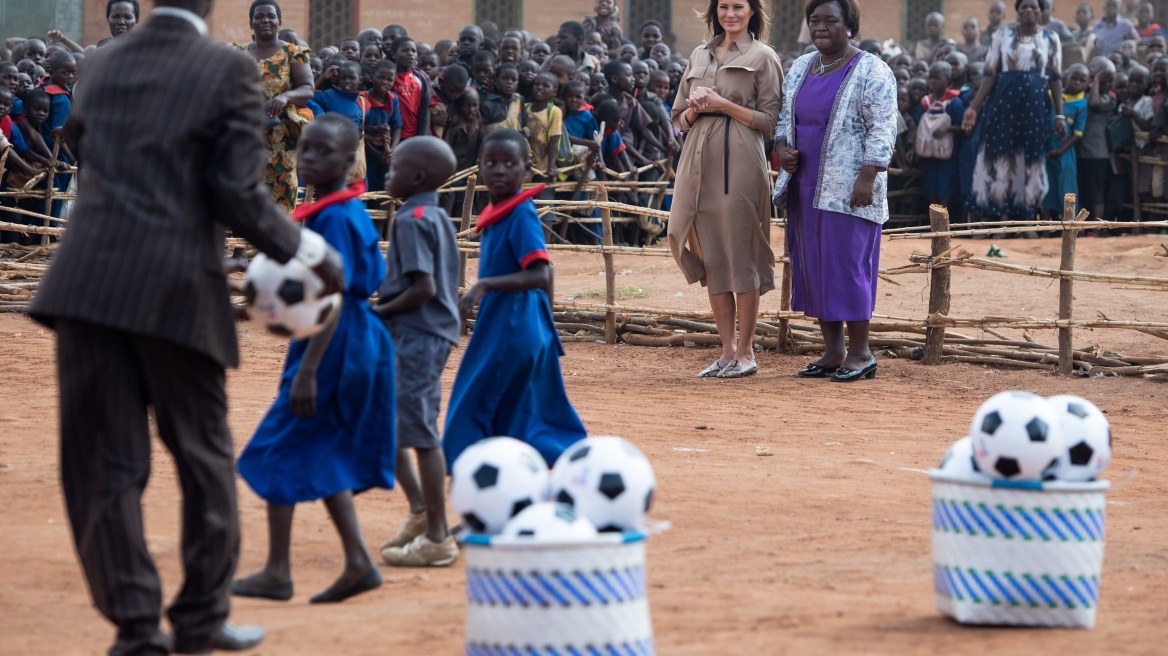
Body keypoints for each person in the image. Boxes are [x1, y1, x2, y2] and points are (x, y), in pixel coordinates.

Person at [28, 0, 345, 651]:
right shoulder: (226, 69)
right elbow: (237, 191)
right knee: (202, 455)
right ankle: (201, 616)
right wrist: (310, 251)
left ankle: (137, 628)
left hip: (86, 283)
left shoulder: (101, 61)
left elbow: (83, 147)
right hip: (174, 287)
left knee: (104, 463)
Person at [232, 115, 393, 605]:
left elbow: (332, 295)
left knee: (278, 448)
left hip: (335, 344)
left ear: (348, 162)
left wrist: (306, 372)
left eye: (322, 152)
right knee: (317, 448)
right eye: (305, 149)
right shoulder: (330, 212)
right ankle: (358, 562)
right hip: (344, 339)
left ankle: (278, 572)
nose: (308, 159)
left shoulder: (336, 218)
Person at [443, 129, 588, 468]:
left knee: (479, 400)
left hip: (513, 323)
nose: (499, 170)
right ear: (478, 167)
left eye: (509, 163)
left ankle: (467, 464)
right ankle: (541, 463)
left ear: (526, 169)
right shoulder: (499, 213)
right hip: (512, 322)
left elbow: (540, 273)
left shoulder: (520, 213)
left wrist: (484, 286)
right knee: (522, 408)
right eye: (490, 162)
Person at [773, 0, 897, 382]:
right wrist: (781, 149)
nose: (821, 27)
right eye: (815, 20)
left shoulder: (872, 70)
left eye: (831, 20)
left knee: (847, 266)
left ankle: (861, 353)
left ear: (850, 26)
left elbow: (883, 126)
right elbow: (783, 118)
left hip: (850, 188)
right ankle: (833, 351)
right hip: (805, 185)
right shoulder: (800, 67)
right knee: (814, 266)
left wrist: (868, 176)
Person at [668, 0, 782, 379]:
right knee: (711, 252)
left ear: (752, 12)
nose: (730, 13)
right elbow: (679, 118)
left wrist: (722, 103)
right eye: (724, 6)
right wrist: (698, 109)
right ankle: (726, 351)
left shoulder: (764, 56)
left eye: (738, 7)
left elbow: (770, 120)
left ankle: (747, 352)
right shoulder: (699, 54)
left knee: (741, 253)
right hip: (697, 157)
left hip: (740, 161)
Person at [374, 136, 462, 567]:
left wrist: (377, 311)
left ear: (417, 177)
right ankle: (421, 512)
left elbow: (422, 288)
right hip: (428, 333)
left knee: (421, 432)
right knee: (391, 423)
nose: (387, 175)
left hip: (417, 334)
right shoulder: (436, 216)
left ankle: (438, 536)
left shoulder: (410, 220)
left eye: (393, 169)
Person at [962, 0, 1066, 221]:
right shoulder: (1002, 35)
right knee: (1000, 155)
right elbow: (989, 74)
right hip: (1003, 105)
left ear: (1041, 10)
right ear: (1017, 10)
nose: (1029, 10)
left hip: (1036, 108)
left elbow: (1056, 78)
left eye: (1033, 6)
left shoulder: (1051, 38)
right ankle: (999, 216)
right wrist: (974, 107)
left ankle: (1026, 217)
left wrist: (1059, 114)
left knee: (1031, 157)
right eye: (1024, 6)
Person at [235, 0, 313, 210]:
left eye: (271, 16)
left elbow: (307, 88)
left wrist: (285, 97)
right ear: (251, 23)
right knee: (243, 202)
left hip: (281, 140)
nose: (265, 20)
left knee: (281, 203)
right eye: (259, 16)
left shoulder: (294, 53)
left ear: (280, 21)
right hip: (245, 139)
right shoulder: (236, 53)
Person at [1044, 63, 1088, 217]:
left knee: (1066, 187)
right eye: (1073, 78)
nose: (1077, 82)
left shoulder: (1082, 104)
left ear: (1087, 84)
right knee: (1047, 186)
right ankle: (1046, 226)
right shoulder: (1051, 96)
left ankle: (1068, 226)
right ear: (1065, 78)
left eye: (1081, 80)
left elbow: (1077, 134)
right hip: (1047, 147)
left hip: (1065, 151)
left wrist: (1060, 151)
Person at [361, 60, 403, 193]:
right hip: (365, 151)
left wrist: (393, 150)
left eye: (389, 79)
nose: (384, 82)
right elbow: (358, 130)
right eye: (380, 77)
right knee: (367, 188)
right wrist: (376, 153)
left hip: (385, 153)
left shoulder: (393, 99)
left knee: (384, 189)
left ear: (394, 80)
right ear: (372, 77)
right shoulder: (362, 99)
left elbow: (397, 126)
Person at [524, 71, 565, 185]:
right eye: (537, 84)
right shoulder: (525, 107)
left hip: (543, 169)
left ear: (554, 92)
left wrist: (550, 167)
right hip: (526, 168)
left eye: (546, 85)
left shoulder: (554, 111)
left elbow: (553, 141)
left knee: (543, 199)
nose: (540, 87)